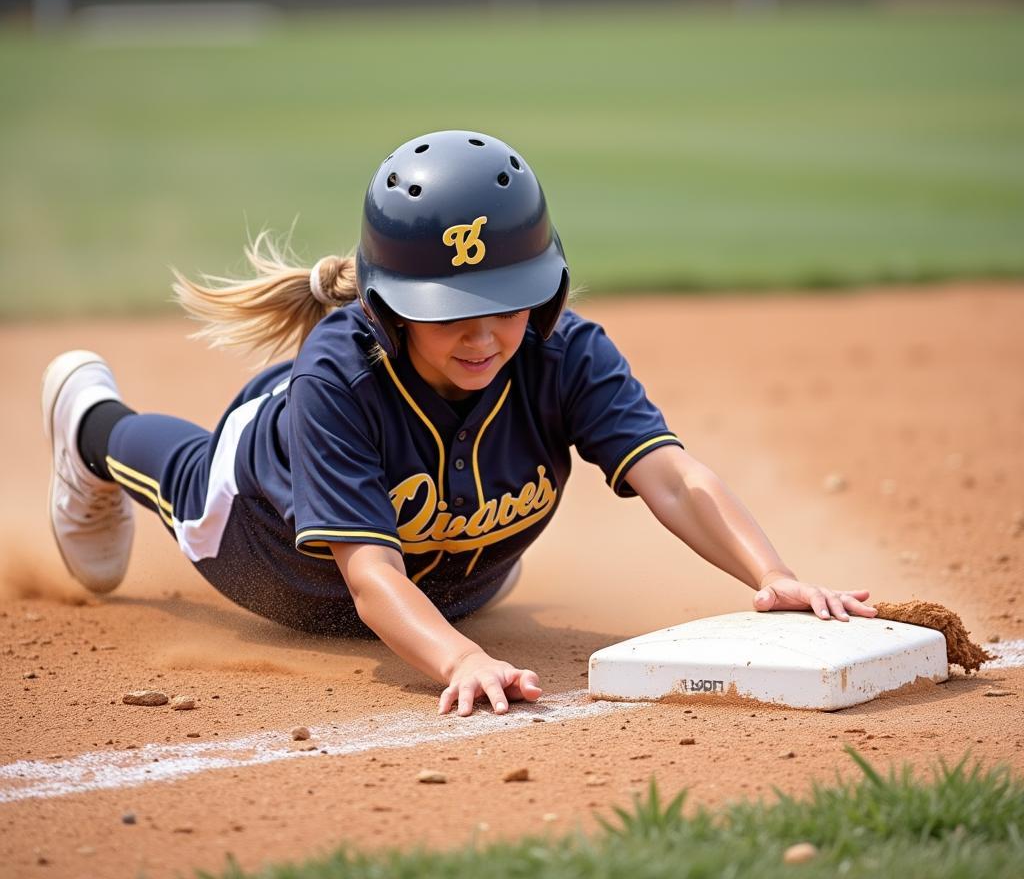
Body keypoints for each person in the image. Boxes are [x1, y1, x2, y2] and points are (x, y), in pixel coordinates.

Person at [42, 129, 876, 718]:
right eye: (450, 315)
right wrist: (461, 659)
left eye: (506, 305)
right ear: (386, 309)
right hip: (262, 544)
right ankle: (86, 422)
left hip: (457, 578)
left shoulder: (565, 351)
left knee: (452, 544)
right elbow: (369, 578)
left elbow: (675, 477)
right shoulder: (339, 373)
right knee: (191, 478)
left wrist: (772, 574)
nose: (483, 337)